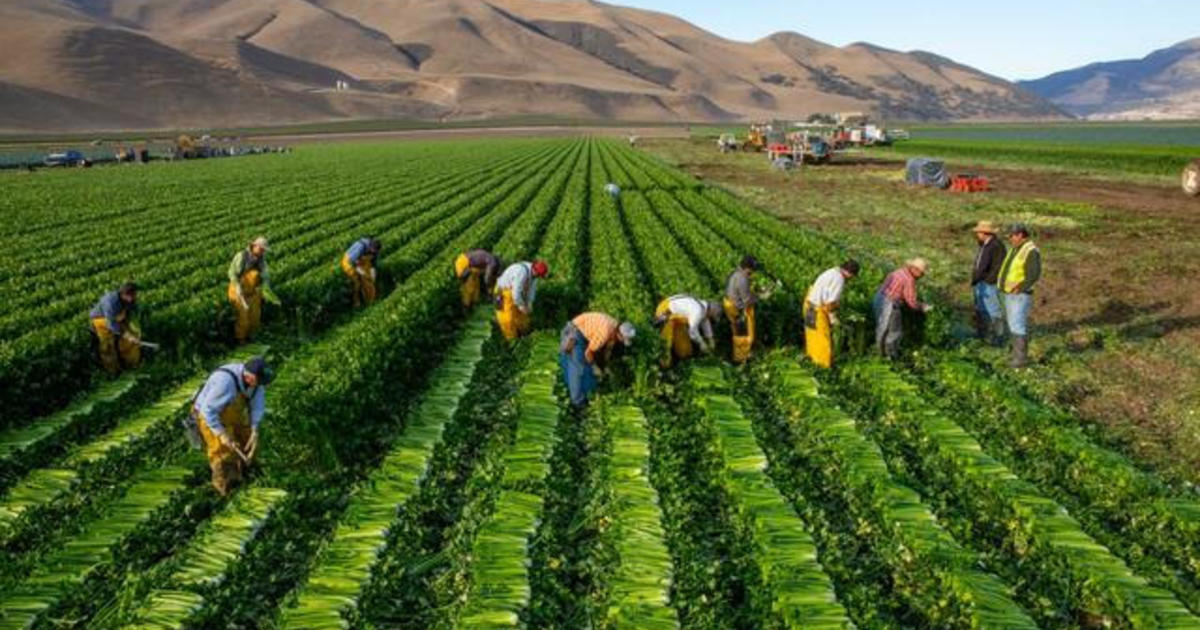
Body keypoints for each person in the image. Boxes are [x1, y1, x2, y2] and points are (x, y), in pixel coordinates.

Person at [190, 357, 273, 495]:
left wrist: (254, 429)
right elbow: (208, 411)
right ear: (249, 377)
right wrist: (222, 434)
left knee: (248, 442)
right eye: (259, 382)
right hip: (209, 417)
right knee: (224, 453)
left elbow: (257, 404)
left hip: (232, 413)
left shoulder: (256, 384)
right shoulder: (226, 382)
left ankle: (248, 475)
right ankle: (227, 489)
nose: (261, 385)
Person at [559, 312, 636, 406]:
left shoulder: (614, 326)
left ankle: (575, 395)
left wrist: (605, 367)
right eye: (622, 339)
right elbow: (588, 353)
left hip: (581, 332)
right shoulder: (605, 332)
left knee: (582, 370)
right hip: (575, 333)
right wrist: (595, 367)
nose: (621, 342)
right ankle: (577, 404)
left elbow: (607, 350)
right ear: (619, 334)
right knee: (578, 368)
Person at [998, 224, 1042, 368]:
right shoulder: (1015, 249)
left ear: (1020, 235)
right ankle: (1015, 355)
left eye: (1012, 236)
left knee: (1017, 324)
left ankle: (1020, 359)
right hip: (1010, 293)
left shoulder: (1031, 251)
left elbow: (1034, 274)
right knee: (1012, 323)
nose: (1010, 238)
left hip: (1020, 294)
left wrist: (1020, 287)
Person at [804, 260, 860, 368]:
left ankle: (812, 359)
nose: (851, 279)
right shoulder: (839, 280)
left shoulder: (832, 271)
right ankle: (823, 367)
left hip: (809, 304)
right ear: (849, 273)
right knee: (823, 340)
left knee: (812, 336)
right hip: (817, 309)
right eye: (852, 276)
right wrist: (833, 318)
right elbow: (830, 303)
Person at [873, 258, 932, 359]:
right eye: (922, 274)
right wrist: (923, 307)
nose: (921, 276)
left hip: (879, 299)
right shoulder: (909, 279)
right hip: (890, 304)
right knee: (894, 332)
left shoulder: (898, 271)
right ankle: (890, 356)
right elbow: (911, 302)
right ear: (915, 270)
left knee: (882, 328)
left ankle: (879, 353)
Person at [228, 236, 280, 343]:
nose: (262, 252)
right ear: (254, 246)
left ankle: (253, 339)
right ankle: (240, 341)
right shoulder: (242, 256)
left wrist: (266, 288)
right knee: (243, 319)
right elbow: (232, 273)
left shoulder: (261, 260)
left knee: (255, 318)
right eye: (261, 249)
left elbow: (265, 276)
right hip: (238, 289)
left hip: (252, 291)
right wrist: (237, 286)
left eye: (263, 250)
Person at [654, 294, 723, 367]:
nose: (711, 319)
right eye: (712, 317)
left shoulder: (703, 308)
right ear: (711, 311)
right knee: (666, 343)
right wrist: (701, 343)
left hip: (677, 319)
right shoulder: (698, 311)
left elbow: (705, 321)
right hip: (666, 311)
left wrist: (710, 338)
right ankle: (663, 365)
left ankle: (680, 359)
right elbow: (692, 331)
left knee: (684, 351)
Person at [89, 282, 142, 375]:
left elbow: (130, 315)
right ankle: (113, 373)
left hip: (119, 319)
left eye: (135, 295)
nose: (134, 298)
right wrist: (127, 334)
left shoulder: (130, 300)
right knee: (108, 346)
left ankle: (132, 366)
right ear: (124, 294)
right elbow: (111, 324)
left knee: (131, 342)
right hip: (101, 320)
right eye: (132, 296)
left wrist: (133, 332)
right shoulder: (110, 302)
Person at [970, 221, 1007, 344]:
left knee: (993, 310)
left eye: (978, 232)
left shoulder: (996, 246)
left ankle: (998, 337)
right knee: (982, 309)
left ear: (985, 233)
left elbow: (999, 266)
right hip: (981, 282)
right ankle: (984, 335)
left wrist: (989, 280)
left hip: (989, 283)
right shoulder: (985, 244)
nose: (977, 234)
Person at [494, 260, 549, 340]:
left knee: (522, 318)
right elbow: (516, 291)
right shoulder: (521, 272)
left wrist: (529, 302)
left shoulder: (534, 274)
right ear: (534, 270)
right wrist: (520, 305)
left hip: (517, 294)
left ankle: (523, 336)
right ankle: (512, 342)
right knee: (508, 320)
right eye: (538, 275)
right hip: (504, 292)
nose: (538, 277)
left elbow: (531, 289)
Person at [724, 256, 760, 362]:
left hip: (730, 304)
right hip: (736, 308)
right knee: (742, 334)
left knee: (736, 332)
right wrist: (760, 297)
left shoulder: (735, 273)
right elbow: (747, 300)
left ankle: (739, 354)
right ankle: (742, 358)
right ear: (747, 268)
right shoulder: (742, 279)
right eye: (752, 269)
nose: (753, 272)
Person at [342, 237, 381, 307]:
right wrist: (362, 273)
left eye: (375, 252)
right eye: (372, 251)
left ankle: (370, 299)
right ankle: (356, 302)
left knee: (369, 281)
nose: (373, 253)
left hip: (362, 262)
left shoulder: (375, 251)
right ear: (370, 247)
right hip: (349, 262)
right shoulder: (361, 247)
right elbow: (352, 262)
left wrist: (373, 276)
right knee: (356, 282)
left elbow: (373, 264)